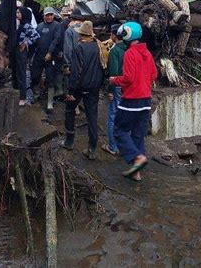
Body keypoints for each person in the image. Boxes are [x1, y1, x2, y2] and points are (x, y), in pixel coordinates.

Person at [110, 21, 158, 181]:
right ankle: (136, 171)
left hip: (131, 100)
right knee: (138, 135)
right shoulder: (148, 53)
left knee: (119, 131)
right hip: (145, 101)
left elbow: (128, 78)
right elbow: (154, 75)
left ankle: (136, 158)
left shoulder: (130, 53)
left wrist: (114, 80)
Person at [61, 20, 104, 160]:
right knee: (92, 116)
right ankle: (92, 148)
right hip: (94, 87)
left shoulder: (80, 48)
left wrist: (71, 92)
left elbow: (76, 72)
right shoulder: (98, 46)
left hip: (80, 87)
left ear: (81, 35)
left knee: (69, 110)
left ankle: (69, 141)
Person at [102, 24, 127, 156]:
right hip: (128, 87)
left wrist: (110, 90)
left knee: (113, 116)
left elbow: (113, 74)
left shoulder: (115, 51)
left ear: (113, 35)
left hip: (117, 86)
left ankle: (113, 146)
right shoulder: (128, 49)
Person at [31, 7, 61, 113]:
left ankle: (49, 103)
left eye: (51, 15)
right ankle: (36, 95)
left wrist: (50, 52)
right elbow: (34, 40)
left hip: (51, 57)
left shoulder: (57, 26)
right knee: (34, 76)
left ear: (53, 15)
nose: (49, 17)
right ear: (43, 16)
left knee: (50, 79)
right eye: (47, 15)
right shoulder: (39, 26)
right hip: (39, 56)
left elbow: (56, 40)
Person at [14, 7, 40, 106]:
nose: (17, 14)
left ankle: (23, 97)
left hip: (22, 52)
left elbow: (36, 36)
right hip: (17, 51)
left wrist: (26, 43)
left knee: (22, 74)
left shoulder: (27, 25)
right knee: (18, 72)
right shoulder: (20, 24)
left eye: (18, 12)